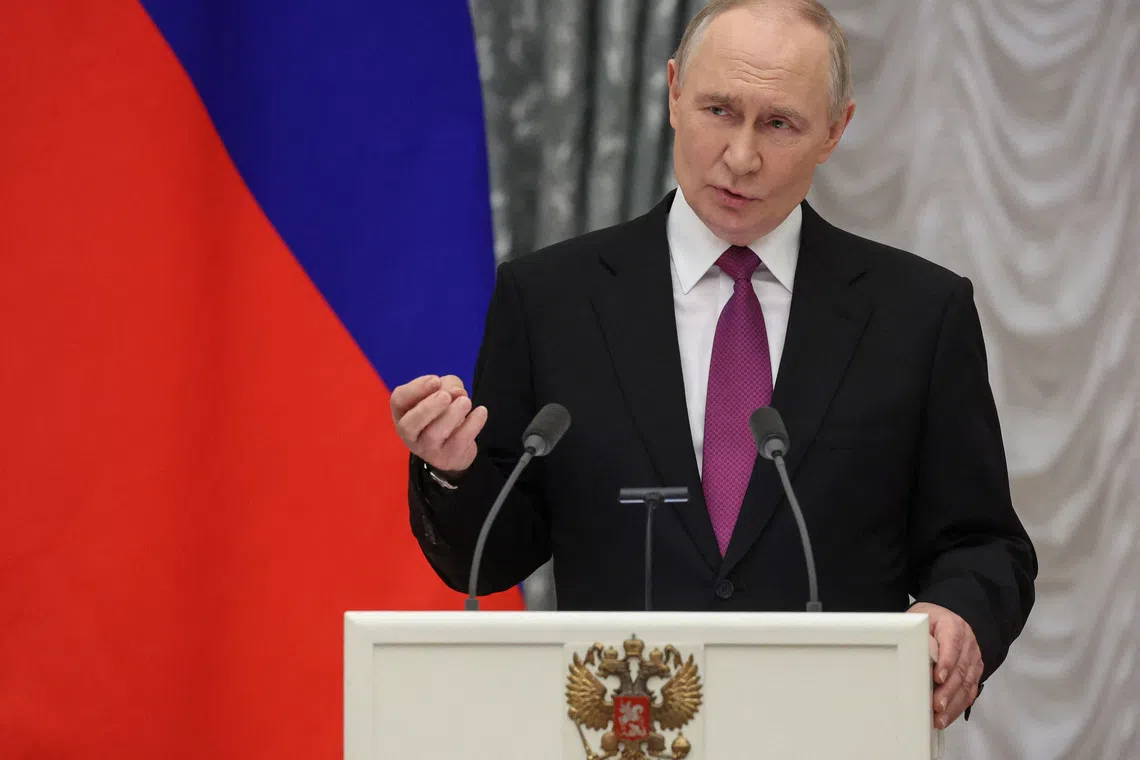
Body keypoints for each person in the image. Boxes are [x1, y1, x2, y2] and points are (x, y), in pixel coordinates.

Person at [391, 0, 1036, 730]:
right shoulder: (550, 300)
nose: (741, 157)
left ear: (835, 130)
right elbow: (493, 555)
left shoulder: (918, 313)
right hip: (625, 726)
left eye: (779, 123)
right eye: (720, 111)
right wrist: (453, 470)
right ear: (673, 92)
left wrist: (958, 611)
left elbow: (982, 543)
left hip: (832, 727)